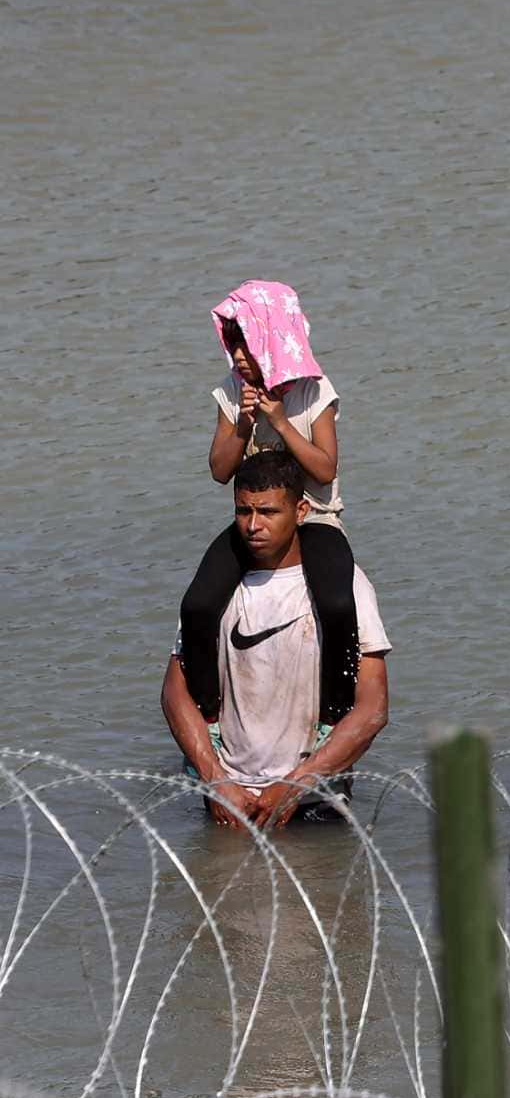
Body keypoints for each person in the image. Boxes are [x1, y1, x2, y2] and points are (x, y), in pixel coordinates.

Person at [161, 452, 391, 829]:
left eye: (268, 512)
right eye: (244, 511)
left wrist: (296, 784)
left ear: (300, 511)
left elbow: (374, 707)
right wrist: (215, 779)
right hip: (228, 799)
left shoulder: (348, 586)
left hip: (315, 799)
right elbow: (174, 692)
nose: (254, 525)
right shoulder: (212, 594)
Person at [180, 280, 359, 731]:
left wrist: (279, 421)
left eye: (248, 344)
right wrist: (243, 424)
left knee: (338, 604)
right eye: (233, 345)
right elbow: (220, 470)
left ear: (274, 341)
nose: (239, 356)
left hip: (314, 518)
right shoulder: (231, 390)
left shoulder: (314, 391)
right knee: (197, 605)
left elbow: (324, 469)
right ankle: (209, 715)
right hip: (255, 519)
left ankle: (335, 715)